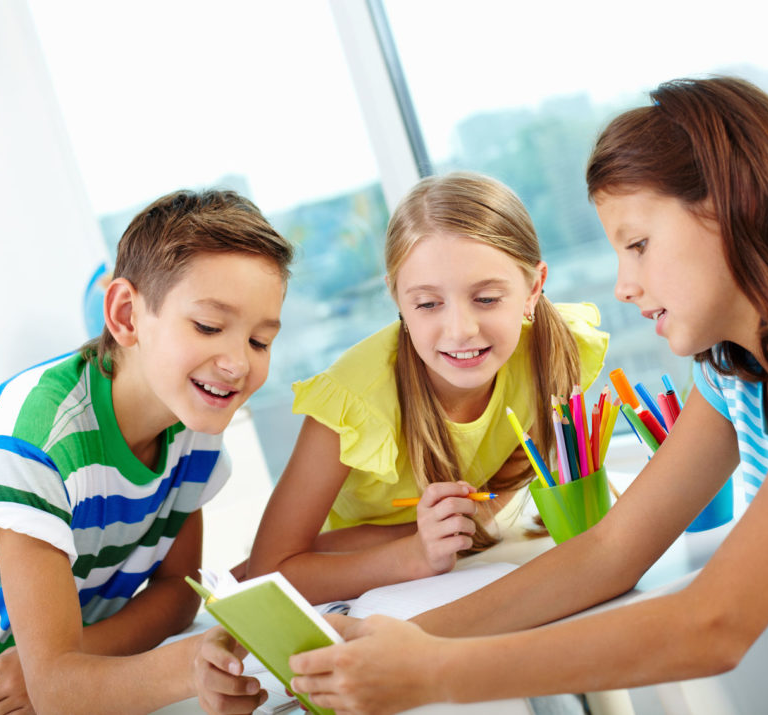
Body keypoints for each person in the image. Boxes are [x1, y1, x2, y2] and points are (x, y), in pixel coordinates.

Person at [286, 77, 768, 715]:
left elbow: (715, 624)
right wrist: (398, 642)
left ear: (739, 205)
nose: (624, 285)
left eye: (637, 245)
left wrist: (436, 672)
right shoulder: (734, 377)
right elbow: (608, 553)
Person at [0, 189, 295, 715]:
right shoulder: (28, 444)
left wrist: (61, 666)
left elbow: (178, 591)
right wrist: (182, 665)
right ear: (126, 315)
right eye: (208, 326)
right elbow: (59, 693)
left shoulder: (193, 421)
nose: (236, 364)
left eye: (260, 341)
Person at [245, 171, 609, 605]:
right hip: (353, 592)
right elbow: (267, 574)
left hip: (466, 563)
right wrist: (415, 552)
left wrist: (460, 527)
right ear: (398, 300)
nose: (460, 331)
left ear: (533, 288)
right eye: (428, 304)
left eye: (487, 298)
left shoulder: (551, 348)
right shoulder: (354, 401)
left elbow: (506, 480)